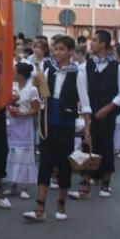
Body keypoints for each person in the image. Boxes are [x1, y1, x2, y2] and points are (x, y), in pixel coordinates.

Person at [23, 36, 91, 222]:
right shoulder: (47, 69)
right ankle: (40, 207)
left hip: (66, 124)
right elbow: (40, 93)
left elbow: (85, 104)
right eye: (55, 49)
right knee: (45, 163)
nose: (57, 52)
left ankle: (61, 204)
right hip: (47, 122)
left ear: (70, 52)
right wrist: (37, 86)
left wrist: (87, 130)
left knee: (64, 165)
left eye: (61, 49)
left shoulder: (78, 74)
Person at [71, 29, 120, 199]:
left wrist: (108, 108)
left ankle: (105, 182)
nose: (92, 43)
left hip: (107, 114)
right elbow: (83, 90)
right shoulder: (86, 66)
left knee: (106, 146)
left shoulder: (117, 67)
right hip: (90, 112)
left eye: (95, 40)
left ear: (103, 43)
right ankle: (85, 185)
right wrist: (86, 111)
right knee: (88, 145)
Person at [7, 62, 41, 199]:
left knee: (25, 154)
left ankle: (24, 186)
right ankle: (13, 184)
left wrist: (23, 113)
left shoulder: (32, 89)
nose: (13, 74)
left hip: (25, 125)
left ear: (21, 75)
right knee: (13, 153)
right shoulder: (12, 87)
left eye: (15, 72)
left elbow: (35, 108)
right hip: (13, 124)